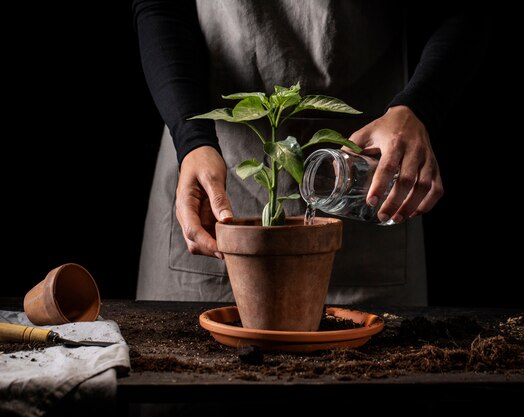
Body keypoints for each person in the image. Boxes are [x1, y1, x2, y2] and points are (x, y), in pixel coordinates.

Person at [132, 0, 489, 306]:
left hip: (366, 176)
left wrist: (418, 108)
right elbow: (161, 5)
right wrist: (192, 139)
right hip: (217, 164)